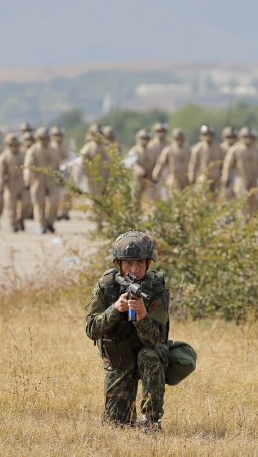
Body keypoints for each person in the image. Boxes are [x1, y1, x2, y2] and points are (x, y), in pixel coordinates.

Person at [85, 230, 170, 433]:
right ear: (119, 264)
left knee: (149, 355)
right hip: (119, 359)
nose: (135, 268)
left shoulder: (156, 287)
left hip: (148, 355)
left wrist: (142, 316)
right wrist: (115, 310)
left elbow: (155, 340)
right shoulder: (106, 286)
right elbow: (91, 330)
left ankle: (151, 422)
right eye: (129, 263)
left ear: (148, 263)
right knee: (117, 425)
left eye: (140, 262)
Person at [221, 126, 258, 215]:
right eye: (245, 136)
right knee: (242, 202)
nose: (248, 139)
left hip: (254, 180)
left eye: (250, 136)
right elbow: (227, 165)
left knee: (255, 203)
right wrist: (225, 178)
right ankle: (242, 224)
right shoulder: (235, 149)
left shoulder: (257, 150)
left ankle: (250, 223)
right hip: (240, 179)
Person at [24, 127, 60, 233]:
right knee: (39, 203)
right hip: (37, 178)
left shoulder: (53, 149)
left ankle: (50, 222)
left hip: (51, 178)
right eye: (42, 138)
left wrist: (59, 177)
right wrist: (28, 179)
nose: (44, 140)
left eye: (46, 138)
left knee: (55, 200)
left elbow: (57, 165)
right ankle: (41, 224)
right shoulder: (33, 150)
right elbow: (28, 166)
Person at [0, 133, 25, 232]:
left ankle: (21, 220)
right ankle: (13, 224)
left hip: (22, 182)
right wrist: (0, 183)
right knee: (11, 205)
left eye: (16, 145)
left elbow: (30, 168)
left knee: (27, 204)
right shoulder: (4, 157)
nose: (14, 147)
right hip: (10, 183)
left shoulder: (23, 154)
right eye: (11, 145)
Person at [188, 125, 225, 195]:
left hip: (216, 178)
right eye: (206, 134)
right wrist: (191, 177)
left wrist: (224, 176)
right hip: (203, 178)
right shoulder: (198, 148)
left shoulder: (219, 148)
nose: (208, 136)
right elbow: (193, 164)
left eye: (210, 134)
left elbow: (223, 164)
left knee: (217, 199)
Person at [152, 128, 191, 194]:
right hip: (173, 178)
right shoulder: (168, 150)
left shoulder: (188, 150)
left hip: (185, 178)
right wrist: (155, 176)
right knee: (174, 198)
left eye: (180, 138)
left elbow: (193, 164)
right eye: (177, 138)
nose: (179, 140)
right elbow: (161, 164)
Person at [50, 125, 73, 220]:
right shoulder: (50, 147)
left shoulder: (65, 146)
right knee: (55, 196)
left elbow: (69, 159)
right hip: (54, 174)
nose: (58, 137)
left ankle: (64, 212)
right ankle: (54, 214)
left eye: (59, 135)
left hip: (65, 173)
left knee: (66, 194)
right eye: (56, 135)